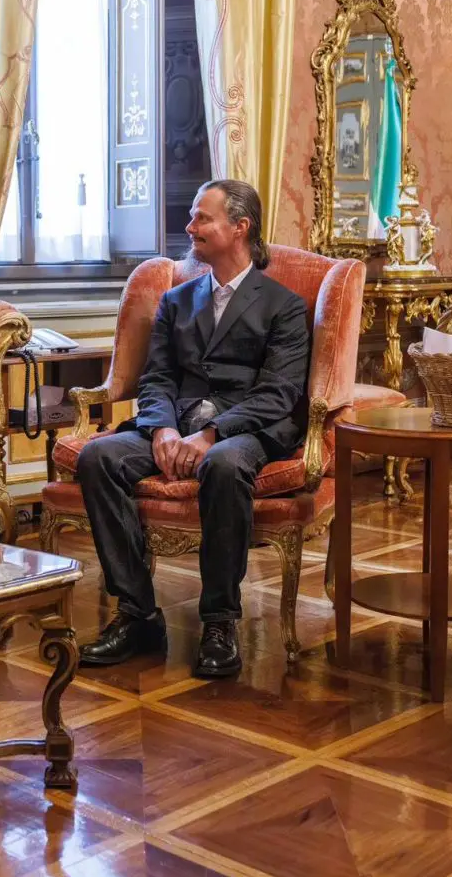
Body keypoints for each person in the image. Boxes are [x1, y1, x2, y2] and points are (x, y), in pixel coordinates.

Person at [74, 179, 310, 678]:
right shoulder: (176, 301)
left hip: (245, 429)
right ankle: (138, 614)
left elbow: (279, 394)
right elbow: (157, 378)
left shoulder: (284, 306)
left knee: (223, 466)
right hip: (176, 425)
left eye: (203, 217)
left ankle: (220, 622)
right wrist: (161, 430)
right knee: (99, 456)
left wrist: (212, 434)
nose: (190, 226)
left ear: (240, 227)